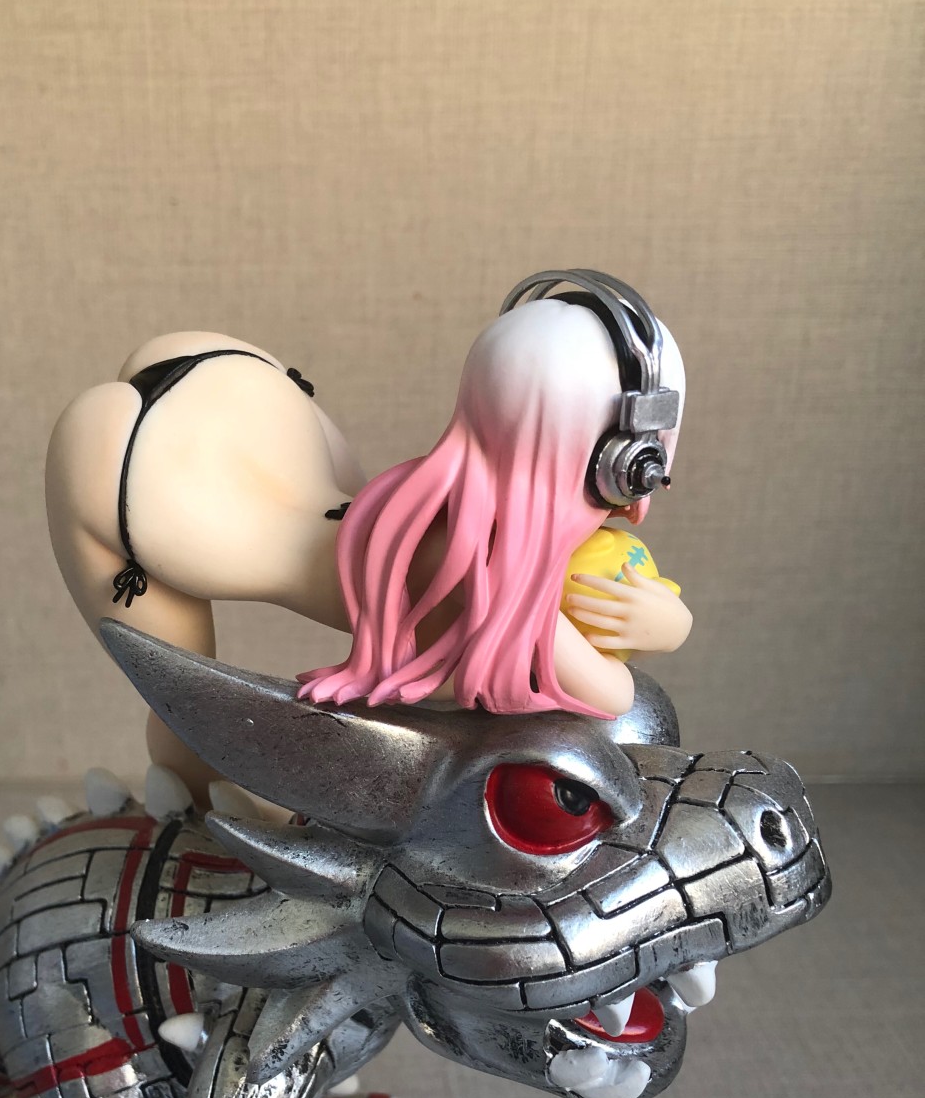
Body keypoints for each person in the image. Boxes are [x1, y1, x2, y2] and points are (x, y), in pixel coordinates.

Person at [46, 282, 691, 802]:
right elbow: (613, 695)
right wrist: (665, 625)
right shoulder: (482, 567)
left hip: (232, 400)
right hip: (140, 490)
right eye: (639, 465)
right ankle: (191, 815)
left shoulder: (459, 519)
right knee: (188, 722)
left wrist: (661, 619)